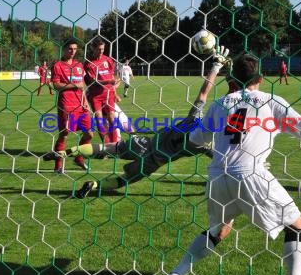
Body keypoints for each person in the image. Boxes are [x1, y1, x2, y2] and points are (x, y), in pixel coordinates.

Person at [165, 54, 301, 275]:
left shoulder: (221, 103)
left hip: (218, 175)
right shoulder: (270, 101)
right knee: (296, 226)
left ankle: (177, 273)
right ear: (260, 78)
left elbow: (195, 141)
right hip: (251, 174)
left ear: (233, 78)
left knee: (220, 229)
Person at [43, 46, 233, 198]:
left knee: (107, 148)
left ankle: (64, 152)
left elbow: (204, 92)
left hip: (143, 143)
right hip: (152, 162)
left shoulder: (194, 119)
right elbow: (221, 158)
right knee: (123, 180)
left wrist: (216, 67)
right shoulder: (205, 144)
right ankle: (93, 186)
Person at [51, 39, 93, 173]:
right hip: (66, 105)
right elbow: (56, 85)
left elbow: (82, 86)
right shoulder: (57, 65)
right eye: (70, 49)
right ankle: (58, 165)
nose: (73, 51)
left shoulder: (79, 65)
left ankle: (79, 158)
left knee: (89, 134)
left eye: (75, 49)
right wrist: (74, 85)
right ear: (64, 49)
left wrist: (85, 102)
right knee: (65, 134)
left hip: (80, 105)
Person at [84, 37, 119, 143]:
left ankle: (114, 145)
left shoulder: (108, 60)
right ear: (93, 48)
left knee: (112, 118)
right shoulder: (88, 63)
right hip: (95, 95)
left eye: (103, 49)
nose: (101, 51)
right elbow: (94, 81)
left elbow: (112, 76)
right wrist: (109, 81)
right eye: (99, 49)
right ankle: (106, 144)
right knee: (99, 119)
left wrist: (115, 93)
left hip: (109, 93)